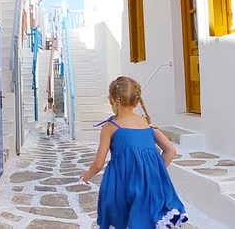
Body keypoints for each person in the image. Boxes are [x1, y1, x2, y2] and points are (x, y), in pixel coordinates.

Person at [80, 76, 188, 229]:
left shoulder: (110, 127)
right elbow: (170, 150)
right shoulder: (147, 123)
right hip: (149, 184)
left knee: (121, 221)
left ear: (111, 100)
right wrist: (154, 172)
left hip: (121, 183)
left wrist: (87, 175)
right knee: (144, 221)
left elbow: (98, 163)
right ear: (137, 101)